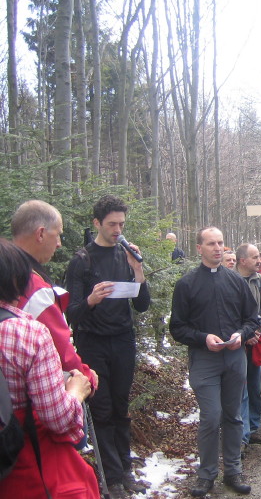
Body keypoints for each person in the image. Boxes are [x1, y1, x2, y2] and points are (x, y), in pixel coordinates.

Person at [64, 195, 151, 499]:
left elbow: (142, 305)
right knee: (101, 410)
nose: (118, 230)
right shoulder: (82, 260)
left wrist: (137, 271)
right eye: (112, 224)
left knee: (121, 406)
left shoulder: (126, 254)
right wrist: (91, 300)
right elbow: (70, 313)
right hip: (93, 342)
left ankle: (125, 470)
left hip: (122, 340)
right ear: (97, 223)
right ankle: (111, 478)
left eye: (121, 224)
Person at [0, 239, 99, 499]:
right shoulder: (27, 333)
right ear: (16, 280)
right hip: (25, 467)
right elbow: (56, 417)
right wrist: (77, 391)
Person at [169, 227, 259, 496]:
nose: (218, 248)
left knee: (232, 415)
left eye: (220, 243)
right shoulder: (187, 284)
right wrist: (202, 337)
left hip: (234, 357)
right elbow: (177, 327)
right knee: (211, 416)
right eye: (211, 244)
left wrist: (241, 334)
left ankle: (233, 471)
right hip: (204, 359)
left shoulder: (236, 281)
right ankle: (206, 474)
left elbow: (252, 319)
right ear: (199, 248)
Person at [11, 200, 97, 391]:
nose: (59, 244)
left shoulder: (9, 270)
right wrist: (87, 377)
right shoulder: (33, 287)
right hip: (27, 395)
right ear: (41, 234)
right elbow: (61, 350)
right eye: (57, 234)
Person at [235, 243, 261, 449]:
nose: (260, 260)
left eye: (259, 256)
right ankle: (241, 435)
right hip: (236, 343)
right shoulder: (229, 279)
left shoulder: (260, 280)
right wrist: (243, 335)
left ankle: (253, 427)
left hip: (256, 341)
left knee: (254, 386)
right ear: (242, 260)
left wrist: (258, 330)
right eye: (255, 257)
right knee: (239, 389)